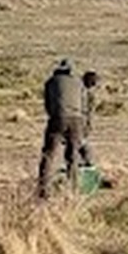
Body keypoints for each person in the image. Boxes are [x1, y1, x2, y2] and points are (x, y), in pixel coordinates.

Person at [37, 59, 86, 198]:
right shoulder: (78, 82)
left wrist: (54, 115)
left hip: (58, 118)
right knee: (73, 155)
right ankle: (73, 189)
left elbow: (47, 105)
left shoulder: (50, 82)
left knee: (48, 155)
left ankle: (43, 190)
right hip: (76, 120)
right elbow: (83, 104)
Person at [78, 70, 98, 167]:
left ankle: (88, 161)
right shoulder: (89, 93)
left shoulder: (82, 92)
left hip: (81, 120)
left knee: (81, 142)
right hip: (83, 120)